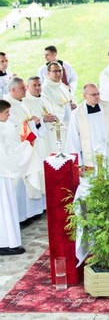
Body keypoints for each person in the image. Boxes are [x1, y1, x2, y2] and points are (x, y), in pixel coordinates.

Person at [0, 99, 42, 256]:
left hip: (4, 176)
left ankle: (9, 242)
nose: (9, 115)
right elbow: (5, 157)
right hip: (1, 176)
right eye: (6, 112)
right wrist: (26, 147)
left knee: (6, 208)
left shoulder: (2, 127)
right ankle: (4, 243)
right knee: (3, 210)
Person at [4, 77, 46, 221]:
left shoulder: (22, 103)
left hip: (30, 147)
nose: (25, 89)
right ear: (13, 90)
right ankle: (23, 215)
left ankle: (34, 210)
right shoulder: (8, 105)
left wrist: (35, 122)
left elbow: (25, 123)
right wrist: (31, 123)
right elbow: (13, 130)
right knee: (22, 182)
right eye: (22, 88)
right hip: (19, 151)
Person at [65, 83, 109, 168]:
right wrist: (78, 164)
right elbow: (73, 139)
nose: (97, 96)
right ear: (84, 96)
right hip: (90, 158)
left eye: (98, 93)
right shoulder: (76, 114)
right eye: (93, 94)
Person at [22, 76, 60, 159]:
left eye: (39, 85)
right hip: (40, 139)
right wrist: (43, 120)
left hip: (52, 134)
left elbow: (55, 110)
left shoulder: (46, 98)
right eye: (34, 85)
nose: (37, 87)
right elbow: (27, 124)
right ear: (27, 87)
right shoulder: (25, 102)